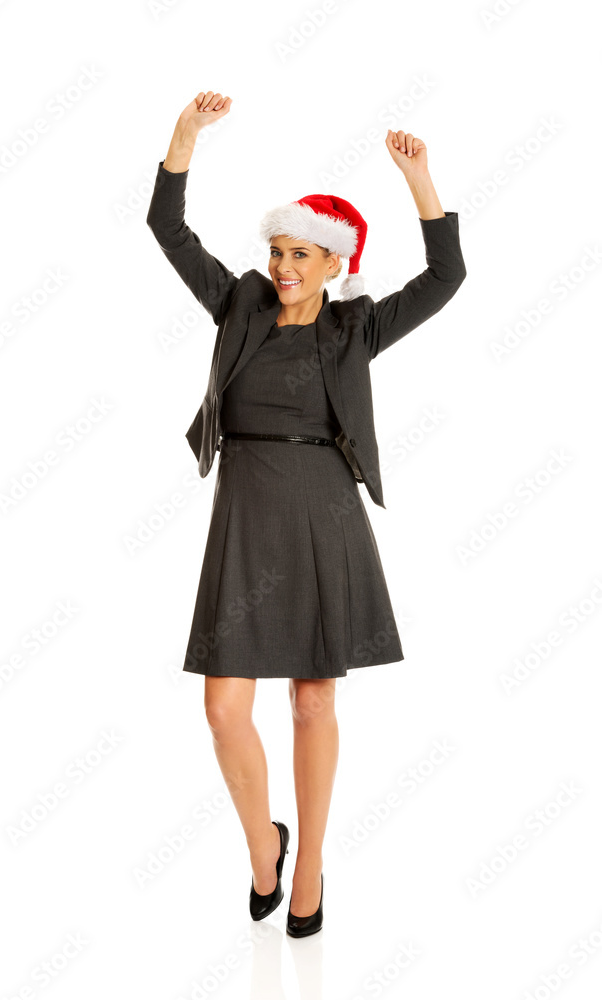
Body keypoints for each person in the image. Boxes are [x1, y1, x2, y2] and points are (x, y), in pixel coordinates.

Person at [147, 90, 466, 937]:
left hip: (324, 516)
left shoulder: (357, 328)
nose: (283, 265)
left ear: (333, 263)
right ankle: (266, 846)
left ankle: (311, 864)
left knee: (313, 704)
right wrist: (184, 137)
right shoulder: (239, 306)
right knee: (223, 709)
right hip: (245, 516)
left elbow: (445, 277)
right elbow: (168, 230)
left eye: (301, 253)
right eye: (277, 249)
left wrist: (419, 180)